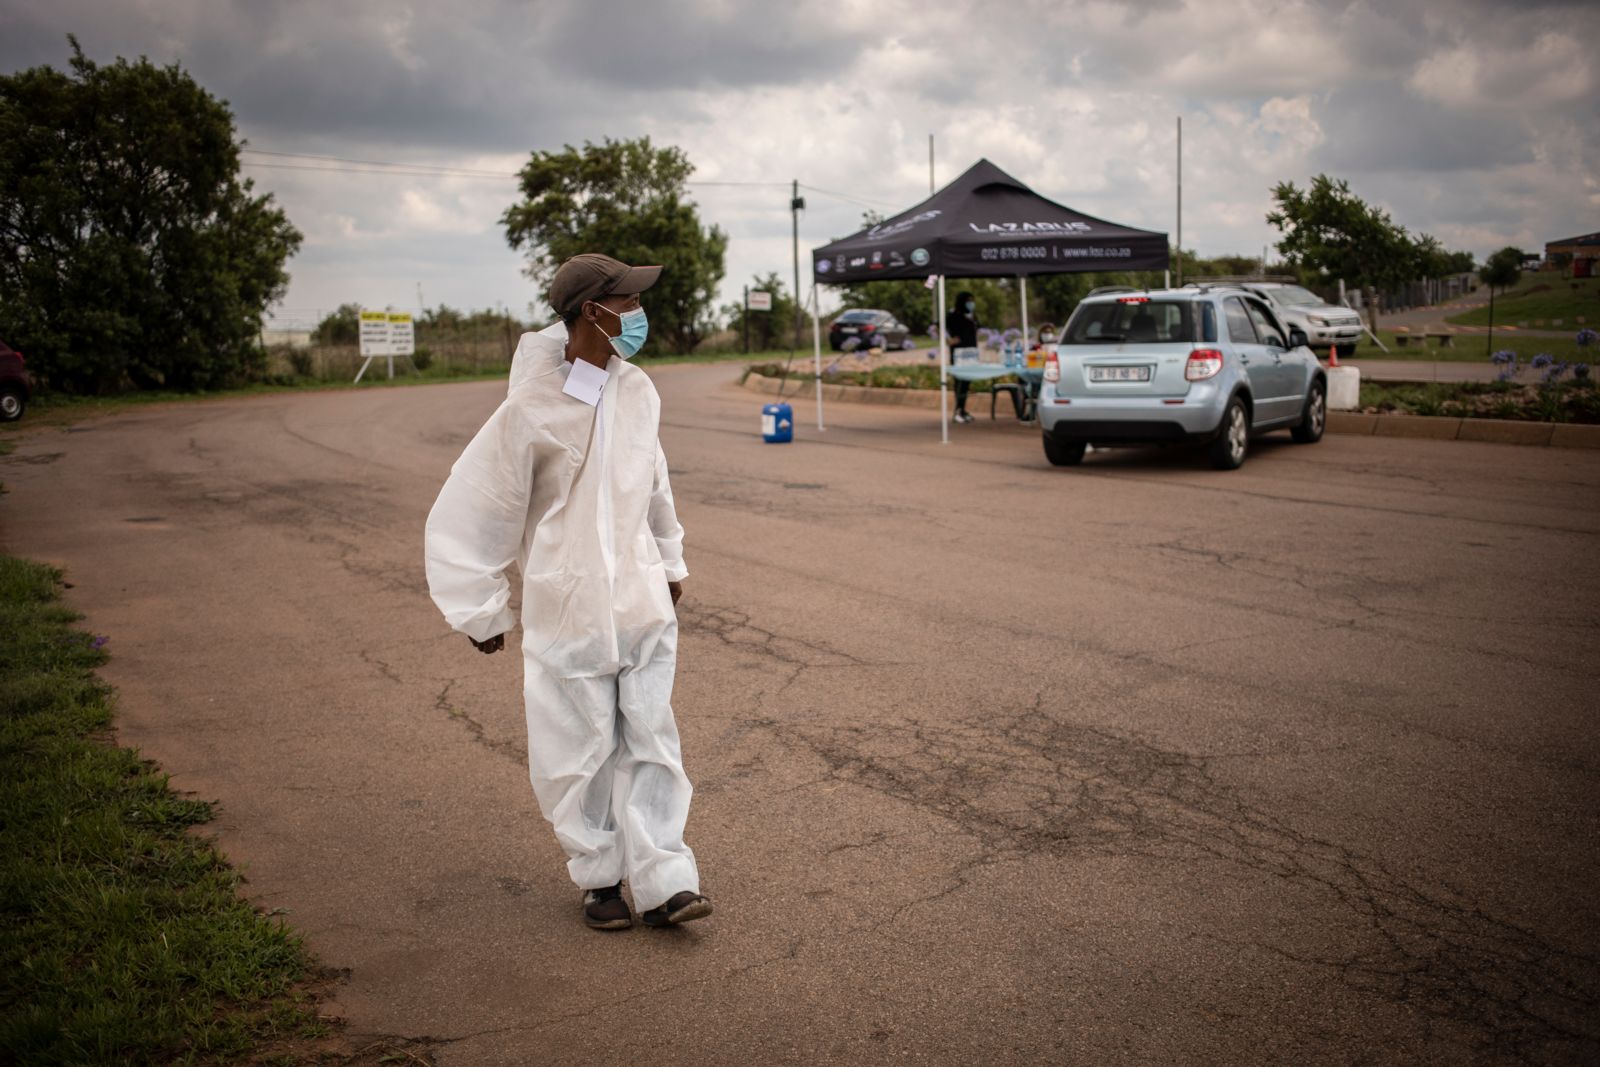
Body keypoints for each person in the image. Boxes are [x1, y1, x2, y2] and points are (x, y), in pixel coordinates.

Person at [424, 253, 710, 932]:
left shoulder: (638, 390)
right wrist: (480, 602)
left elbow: (654, 479)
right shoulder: (532, 406)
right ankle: (600, 876)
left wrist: (670, 560)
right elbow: (483, 500)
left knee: (653, 738)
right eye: (626, 300)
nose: (638, 313)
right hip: (570, 603)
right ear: (592, 311)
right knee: (577, 749)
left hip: (639, 599)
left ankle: (667, 876)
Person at [945, 290, 980, 423]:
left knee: (966, 382)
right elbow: (938, 327)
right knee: (959, 382)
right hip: (959, 354)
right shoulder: (953, 315)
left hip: (971, 352)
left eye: (972, 301)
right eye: (968, 301)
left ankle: (963, 409)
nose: (971, 303)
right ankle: (958, 410)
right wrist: (949, 340)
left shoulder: (971, 315)